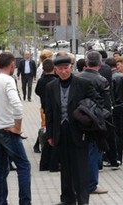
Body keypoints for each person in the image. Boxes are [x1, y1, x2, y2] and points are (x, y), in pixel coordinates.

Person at [45, 54, 100, 205]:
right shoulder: (51, 87)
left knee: (80, 168)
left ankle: (83, 200)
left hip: (79, 130)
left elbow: (96, 101)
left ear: (71, 68)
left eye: (66, 68)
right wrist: (49, 134)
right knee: (65, 167)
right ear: (55, 70)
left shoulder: (83, 83)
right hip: (60, 131)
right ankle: (67, 199)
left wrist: (85, 114)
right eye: (60, 69)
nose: (64, 71)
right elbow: (49, 112)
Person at [0, 52, 31, 205]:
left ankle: (0, 201)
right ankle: (25, 202)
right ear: (12, 65)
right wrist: (17, 127)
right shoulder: (8, 80)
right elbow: (18, 106)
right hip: (7, 128)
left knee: (0, 168)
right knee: (24, 166)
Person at [78, 51, 117, 194]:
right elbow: (106, 104)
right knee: (94, 152)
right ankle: (92, 184)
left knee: (82, 152)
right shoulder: (101, 80)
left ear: (86, 63)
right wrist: (107, 122)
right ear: (100, 64)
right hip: (95, 121)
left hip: (79, 119)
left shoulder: (77, 78)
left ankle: (81, 182)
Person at [35, 58, 59, 171]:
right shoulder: (56, 80)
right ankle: (53, 162)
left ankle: (44, 163)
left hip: (44, 109)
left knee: (47, 132)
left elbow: (37, 91)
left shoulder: (41, 81)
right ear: (54, 68)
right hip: (55, 110)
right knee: (53, 135)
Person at [105, 57, 123, 164]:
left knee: (113, 133)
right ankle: (120, 156)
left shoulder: (109, 78)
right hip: (122, 107)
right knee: (121, 132)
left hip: (113, 108)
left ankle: (113, 156)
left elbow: (110, 94)